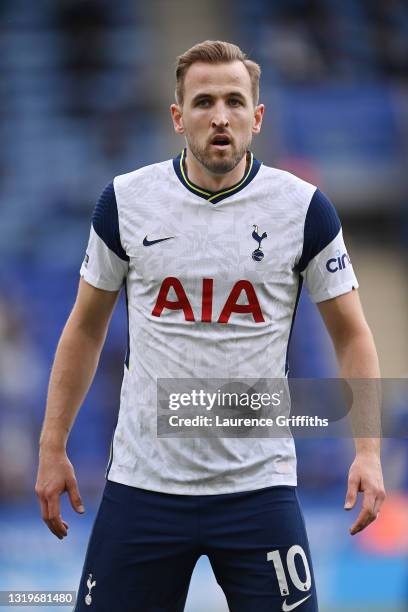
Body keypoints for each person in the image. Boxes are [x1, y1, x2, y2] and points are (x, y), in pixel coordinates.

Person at [35, 40, 386, 612]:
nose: (219, 116)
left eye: (233, 101)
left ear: (257, 116)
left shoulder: (303, 209)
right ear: (178, 118)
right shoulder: (126, 202)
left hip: (259, 488)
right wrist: (53, 447)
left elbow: (351, 332)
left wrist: (367, 452)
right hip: (144, 486)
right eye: (203, 102)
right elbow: (83, 329)